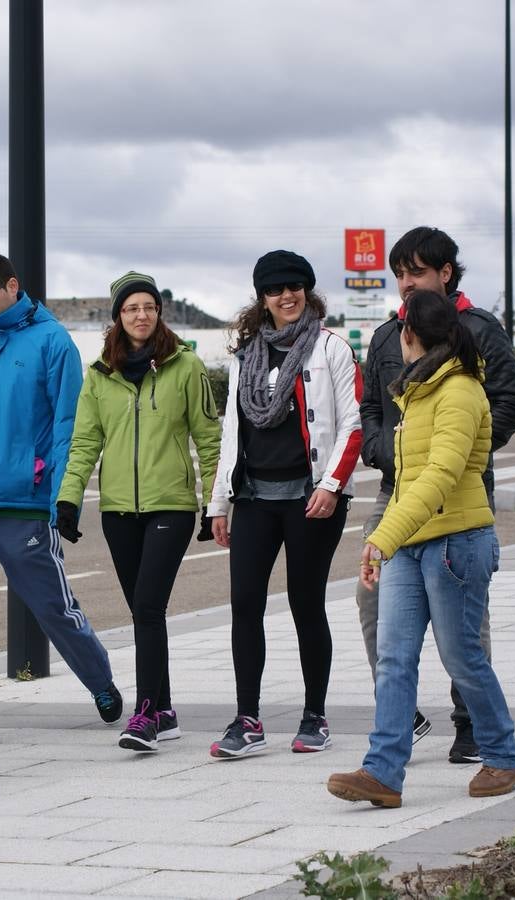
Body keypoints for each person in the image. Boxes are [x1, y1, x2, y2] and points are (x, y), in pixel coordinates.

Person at [328, 289, 515, 809]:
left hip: (457, 544)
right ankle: (383, 773)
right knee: (394, 659)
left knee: (461, 657)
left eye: (400, 330)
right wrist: (386, 542)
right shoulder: (416, 391)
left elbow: (441, 475)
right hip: (411, 544)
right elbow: (408, 478)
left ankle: (503, 756)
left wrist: (382, 537)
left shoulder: (459, 390)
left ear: (412, 335)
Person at [0, 252, 121, 751]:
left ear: (12, 286)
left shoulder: (53, 341)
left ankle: (100, 680)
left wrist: (65, 496)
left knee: (52, 607)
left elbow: (68, 427)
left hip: (25, 503)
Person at [357, 226, 515, 766]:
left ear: (446, 273)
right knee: (375, 608)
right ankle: (391, 740)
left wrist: (465, 451)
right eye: (400, 274)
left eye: (417, 272)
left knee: (463, 631)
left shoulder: (477, 329)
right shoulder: (389, 334)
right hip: (396, 489)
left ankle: (473, 727)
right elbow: (370, 408)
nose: (407, 283)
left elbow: (510, 402)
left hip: (458, 495)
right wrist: (390, 449)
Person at [57, 271, 222, 752]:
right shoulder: (100, 374)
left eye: (148, 306)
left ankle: (146, 713)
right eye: (131, 308)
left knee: (148, 606)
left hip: (170, 504)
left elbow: (209, 440)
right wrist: (68, 497)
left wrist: (216, 503)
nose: (141, 315)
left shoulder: (185, 366)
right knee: (142, 612)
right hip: (118, 512)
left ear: (159, 312)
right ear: (117, 317)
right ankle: (165, 708)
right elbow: (85, 440)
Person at [206, 249, 362, 759]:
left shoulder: (332, 347)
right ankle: (246, 718)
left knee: (305, 603)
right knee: (244, 605)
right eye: (275, 289)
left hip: (311, 497)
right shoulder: (245, 353)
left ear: (308, 290)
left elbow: (352, 426)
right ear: (262, 298)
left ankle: (314, 716)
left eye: (295, 286)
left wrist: (331, 486)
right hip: (253, 496)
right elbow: (232, 429)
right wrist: (219, 502)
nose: (286, 296)